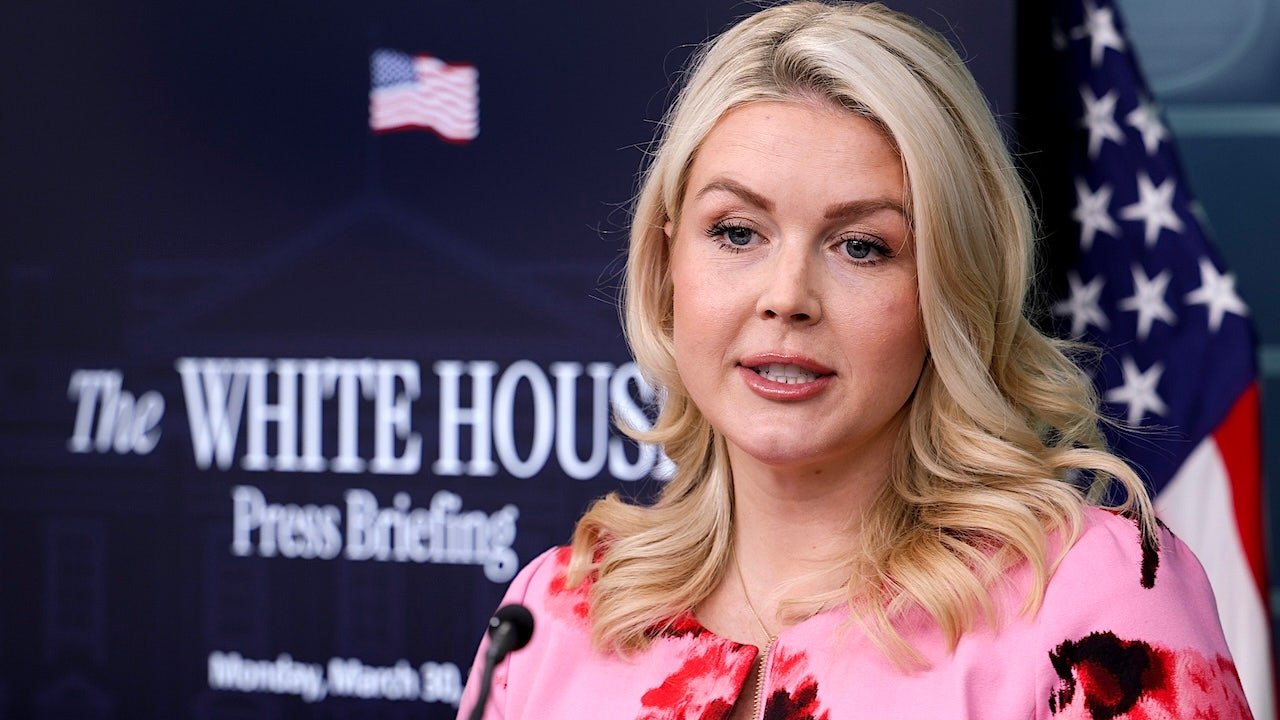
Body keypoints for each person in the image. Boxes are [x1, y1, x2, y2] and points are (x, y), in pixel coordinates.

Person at [459, 2, 1253, 718]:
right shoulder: (554, 615)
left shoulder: (1091, 594)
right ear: (668, 265)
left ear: (950, 285)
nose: (787, 297)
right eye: (737, 232)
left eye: (862, 247)